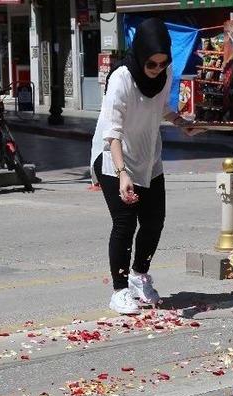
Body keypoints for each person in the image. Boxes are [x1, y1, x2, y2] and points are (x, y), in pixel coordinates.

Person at [90, 18, 203, 315]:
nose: (156, 69)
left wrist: (182, 123)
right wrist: (122, 173)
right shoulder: (121, 78)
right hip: (115, 158)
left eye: (162, 63)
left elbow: (162, 107)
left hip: (149, 157)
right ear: (140, 55)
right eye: (151, 64)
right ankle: (119, 290)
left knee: (154, 221)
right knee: (125, 224)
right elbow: (111, 132)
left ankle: (140, 276)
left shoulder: (165, 75)